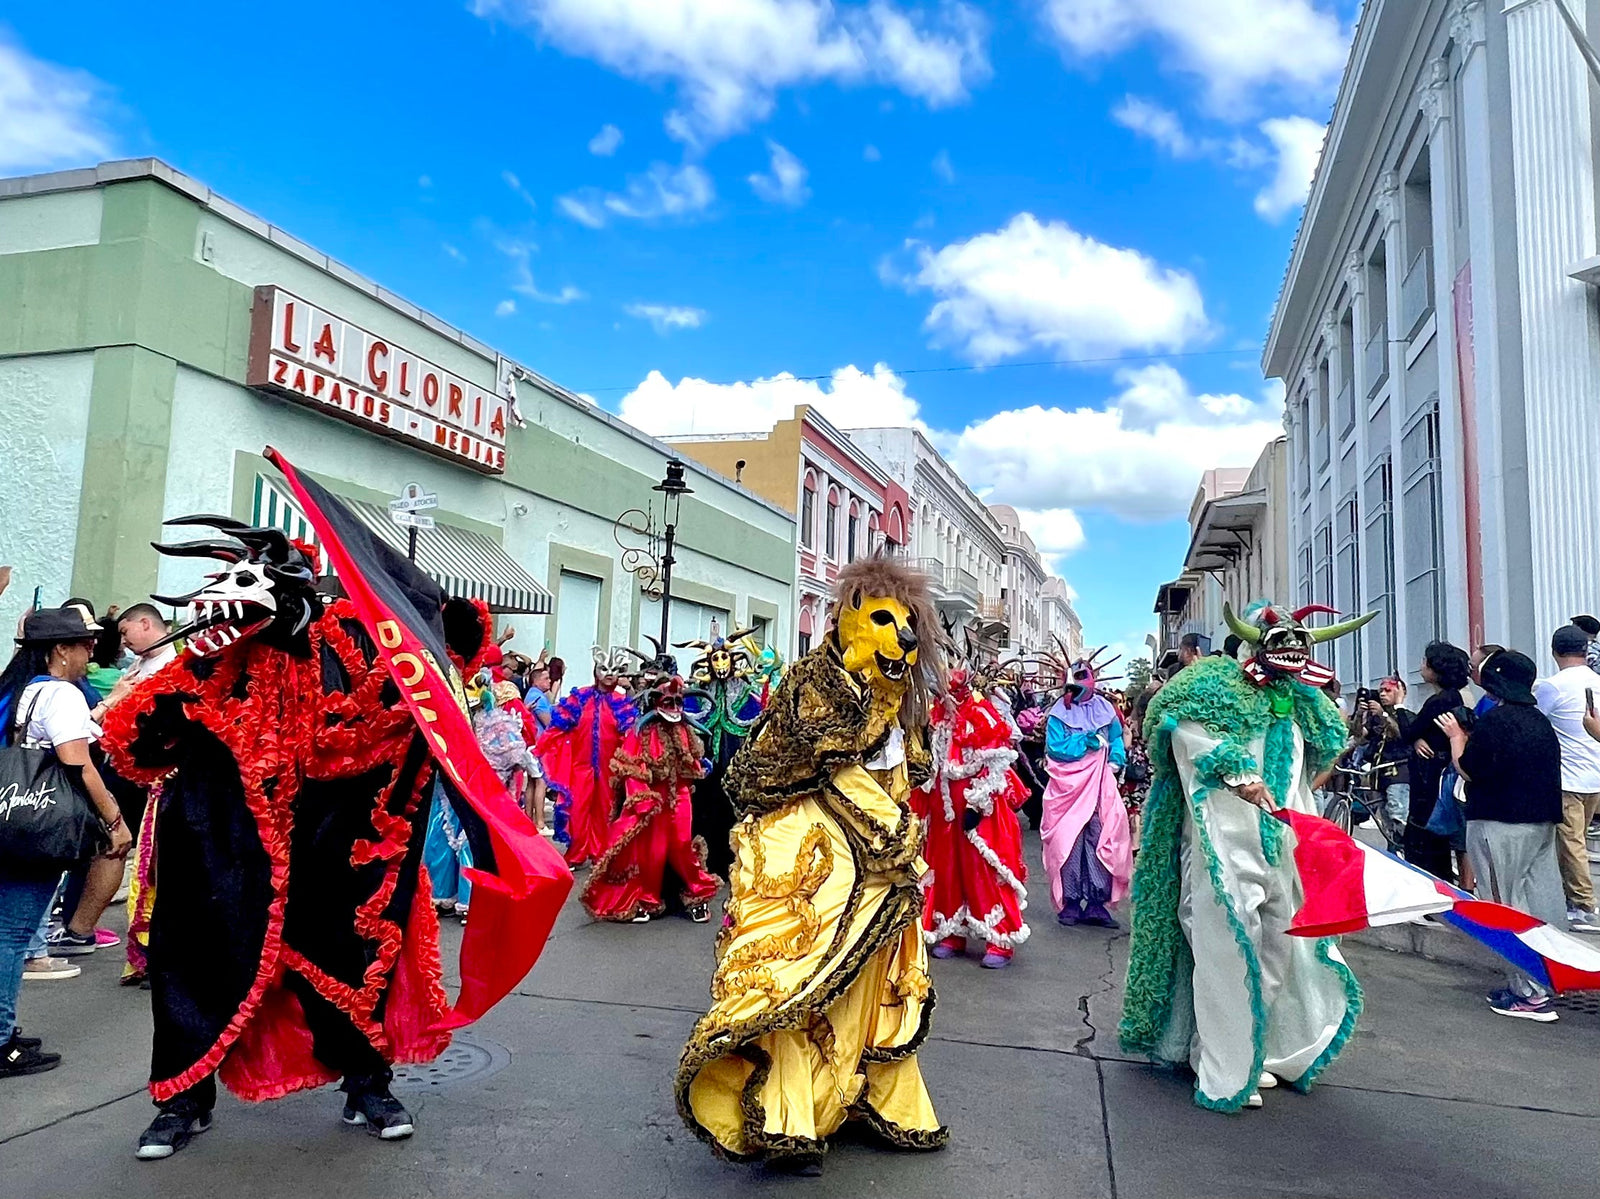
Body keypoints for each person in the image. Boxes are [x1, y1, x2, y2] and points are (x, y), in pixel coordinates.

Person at [100, 504, 567, 1161]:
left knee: (353, 969)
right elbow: (135, 742)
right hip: (222, 855)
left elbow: (415, 687)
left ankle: (368, 1085)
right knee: (197, 969)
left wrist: (442, 633)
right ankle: (183, 1099)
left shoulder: (348, 641)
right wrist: (164, 700)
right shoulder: (209, 661)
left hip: (335, 849)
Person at [677, 558, 947, 1172]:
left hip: (882, 867)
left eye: (907, 624)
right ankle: (787, 1114)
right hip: (814, 863)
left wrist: (899, 829)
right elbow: (817, 768)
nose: (901, 637)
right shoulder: (816, 685)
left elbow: (903, 775)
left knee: (873, 986)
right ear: (847, 620)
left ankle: (862, 1096)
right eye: (882, 620)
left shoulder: (900, 699)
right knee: (800, 981)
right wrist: (896, 830)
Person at [1120, 601, 1370, 1112]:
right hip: (1222, 846)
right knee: (1226, 948)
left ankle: (1257, 1050)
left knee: (1280, 945)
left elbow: (1316, 761)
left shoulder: (1303, 703)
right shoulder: (1213, 690)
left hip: (1284, 848)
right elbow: (1188, 735)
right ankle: (1223, 1062)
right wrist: (1237, 771)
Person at [1, 606, 134, 1078]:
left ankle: (5, 1028)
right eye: (83, 644)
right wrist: (113, 817)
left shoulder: (29, 690)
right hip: (41, 824)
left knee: (8, 931)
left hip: (15, 816)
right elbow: (77, 762)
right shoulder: (60, 693)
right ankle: (0, 1040)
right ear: (60, 650)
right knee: (13, 936)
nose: (90, 651)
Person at [1438, 651, 1567, 1020]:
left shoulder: (1496, 722)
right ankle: (1546, 977)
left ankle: (1529, 993)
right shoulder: (1539, 721)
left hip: (1500, 824)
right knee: (1540, 902)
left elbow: (1469, 770)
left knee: (1503, 906)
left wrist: (1456, 737)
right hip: (1541, 822)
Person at [580, 675, 721, 923]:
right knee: (653, 853)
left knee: (681, 846)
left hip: (680, 796)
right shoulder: (643, 732)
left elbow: (693, 767)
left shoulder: (685, 731)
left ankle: (698, 895)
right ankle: (648, 899)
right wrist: (643, 797)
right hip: (654, 799)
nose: (675, 708)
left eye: (679, 702)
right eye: (669, 702)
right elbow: (630, 768)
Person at [917, 666, 1030, 967]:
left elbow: (997, 767)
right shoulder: (937, 715)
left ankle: (1000, 940)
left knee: (982, 871)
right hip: (944, 809)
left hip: (976, 810)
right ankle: (952, 932)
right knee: (946, 870)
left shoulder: (982, 714)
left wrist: (977, 805)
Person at [1040, 647, 1131, 928]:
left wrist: (1116, 759)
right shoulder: (1058, 714)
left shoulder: (1106, 710)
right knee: (1068, 839)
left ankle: (1095, 902)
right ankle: (1069, 901)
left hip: (1100, 783)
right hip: (1068, 787)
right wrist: (1084, 744)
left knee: (1100, 835)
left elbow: (1116, 738)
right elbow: (1056, 748)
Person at [679, 622, 764, 881]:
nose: (720, 663)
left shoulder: (746, 694)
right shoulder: (699, 695)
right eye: (714, 658)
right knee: (703, 810)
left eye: (723, 657)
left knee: (731, 812)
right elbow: (687, 717)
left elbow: (757, 723)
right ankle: (701, 860)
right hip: (706, 767)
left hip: (733, 765)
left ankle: (730, 860)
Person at [537, 649, 637, 866]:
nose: (609, 674)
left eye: (614, 670)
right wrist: (542, 745)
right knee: (578, 810)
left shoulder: (621, 702)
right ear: (595, 671)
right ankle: (577, 853)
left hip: (609, 768)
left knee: (605, 812)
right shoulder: (580, 697)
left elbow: (629, 738)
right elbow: (558, 726)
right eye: (604, 669)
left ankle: (601, 854)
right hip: (580, 766)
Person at [1532, 625, 1600, 934]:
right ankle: (1573, 899)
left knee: (1571, 843)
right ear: (1586, 651)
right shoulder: (1597, 682)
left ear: (1554, 651)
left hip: (1567, 777)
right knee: (1577, 840)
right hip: (1595, 775)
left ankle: (1584, 905)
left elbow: (1537, 722)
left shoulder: (1551, 686)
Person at [1406, 642, 1471, 882]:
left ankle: (1429, 885)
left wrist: (1403, 713)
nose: (1421, 666)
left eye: (1425, 662)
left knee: (1425, 832)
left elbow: (1410, 730)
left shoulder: (1439, 702)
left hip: (1431, 772)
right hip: (1439, 770)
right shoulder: (1452, 698)